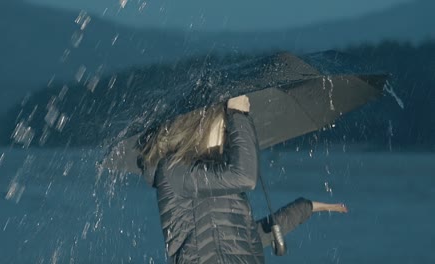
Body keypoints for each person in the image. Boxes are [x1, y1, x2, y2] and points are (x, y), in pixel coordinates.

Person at [138, 95, 348, 264]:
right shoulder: (174, 170)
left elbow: (249, 237)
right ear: (200, 127)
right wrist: (237, 113)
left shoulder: (215, 176)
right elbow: (245, 176)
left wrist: (307, 207)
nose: (228, 135)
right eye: (225, 128)